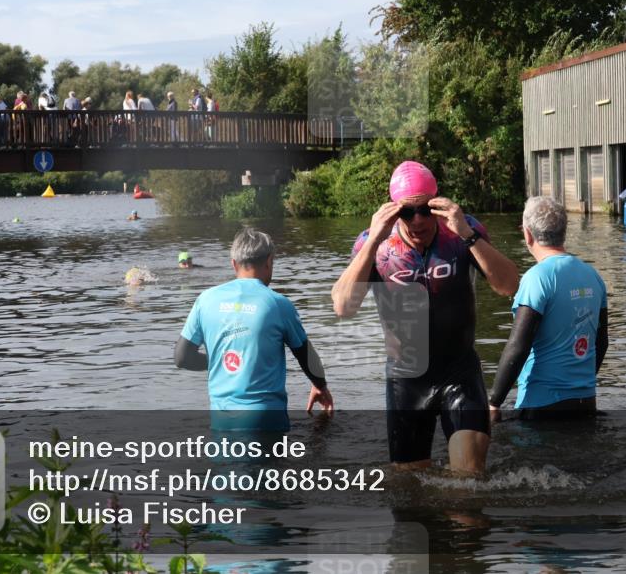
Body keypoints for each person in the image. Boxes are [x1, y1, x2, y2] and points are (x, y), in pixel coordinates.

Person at [331, 161, 520, 475]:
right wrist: (373, 241)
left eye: (425, 210)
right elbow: (342, 307)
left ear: (437, 204)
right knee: (409, 491)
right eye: (407, 212)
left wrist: (469, 235)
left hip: (459, 372)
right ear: (393, 210)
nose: (417, 220)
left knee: (469, 482)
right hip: (406, 380)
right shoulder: (375, 243)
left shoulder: (462, 230)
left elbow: (509, 285)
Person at [176, 228, 334, 431]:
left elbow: (181, 357)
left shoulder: (205, 300)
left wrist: (220, 361)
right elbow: (306, 356)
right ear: (269, 261)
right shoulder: (278, 304)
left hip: (221, 421)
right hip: (266, 419)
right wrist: (320, 385)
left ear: (234, 264)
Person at [488, 196, 608, 421]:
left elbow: (518, 346)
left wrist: (494, 402)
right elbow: (602, 342)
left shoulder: (537, 278)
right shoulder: (593, 276)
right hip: (585, 402)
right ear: (564, 232)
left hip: (540, 403)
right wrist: (580, 384)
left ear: (527, 234)